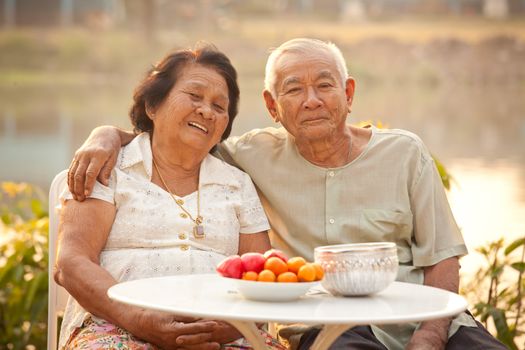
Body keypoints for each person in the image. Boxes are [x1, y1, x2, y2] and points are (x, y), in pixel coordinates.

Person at [67, 38, 506, 350]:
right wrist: (106, 135)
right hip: (328, 328)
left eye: (325, 85)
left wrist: (429, 337)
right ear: (273, 107)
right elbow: (176, 137)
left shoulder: (403, 153)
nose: (312, 100)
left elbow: (442, 257)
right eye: (293, 89)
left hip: (426, 323)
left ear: (349, 93)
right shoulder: (238, 159)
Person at [54, 44, 287, 350]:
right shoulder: (108, 167)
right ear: (152, 105)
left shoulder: (237, 184)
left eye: (219, 107)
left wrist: (215, 332)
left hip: (221, 336)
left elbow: (261, 279)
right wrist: (140, 320)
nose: (206, 110)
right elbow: (71, 263)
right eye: (194, 96)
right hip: (115, 327)